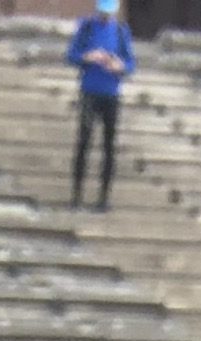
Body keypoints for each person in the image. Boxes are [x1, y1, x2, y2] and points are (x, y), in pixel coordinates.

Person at [66, 0, 133, 207]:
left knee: (109, 145)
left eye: (108, 14)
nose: (105, 17)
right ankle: (76, 196)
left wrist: (120, 66)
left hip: (111, 94)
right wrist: (87, 57)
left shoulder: (121, 31)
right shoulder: (86, 27)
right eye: (103, 13)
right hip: (89, 92)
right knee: (84, 142)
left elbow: (130, 63)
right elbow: (71, 55)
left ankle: (104, 198)